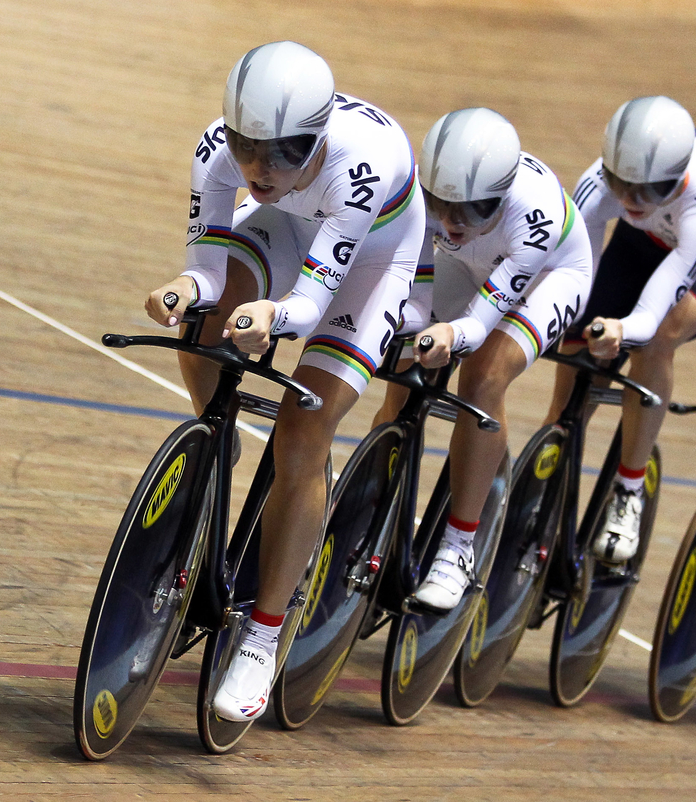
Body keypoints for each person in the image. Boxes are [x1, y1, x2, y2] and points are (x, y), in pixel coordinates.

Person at [144, 41, 425, 721]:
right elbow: (209, 266)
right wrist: (185, 287)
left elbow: (311, 301)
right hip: (292, 230)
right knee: (204, 322)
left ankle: (263, 635)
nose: (258, 169)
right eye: (245, 147)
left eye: (282, 153)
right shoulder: (217, 149)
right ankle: (219, 436)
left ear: (319, 136)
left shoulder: (362, 165)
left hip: (370, 262)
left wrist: (273, 313)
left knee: (303, 436)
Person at [377, 107, 594, 611]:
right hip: (466, 264)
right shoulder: (418, 191)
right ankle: (376, 491)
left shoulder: (532, 213)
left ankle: (458, 547)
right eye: (441, 205)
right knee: (408, 368)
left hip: (546, 277)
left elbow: (478, 325)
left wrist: (451, 332)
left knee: (482, 376)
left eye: (472, 211)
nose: (451, 222)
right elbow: (415, 278)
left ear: (499, 196)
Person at [548, 95, 696, 564]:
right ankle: (548, 465)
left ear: (679, 177)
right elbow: (572, 275)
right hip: (639, 244)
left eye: (647, 191)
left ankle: (628, 490)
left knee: (659, 336)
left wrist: (621, 329)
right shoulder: (597, 184)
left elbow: (649, 312)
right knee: (578, 360)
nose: (630, 200)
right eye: (621, 184)